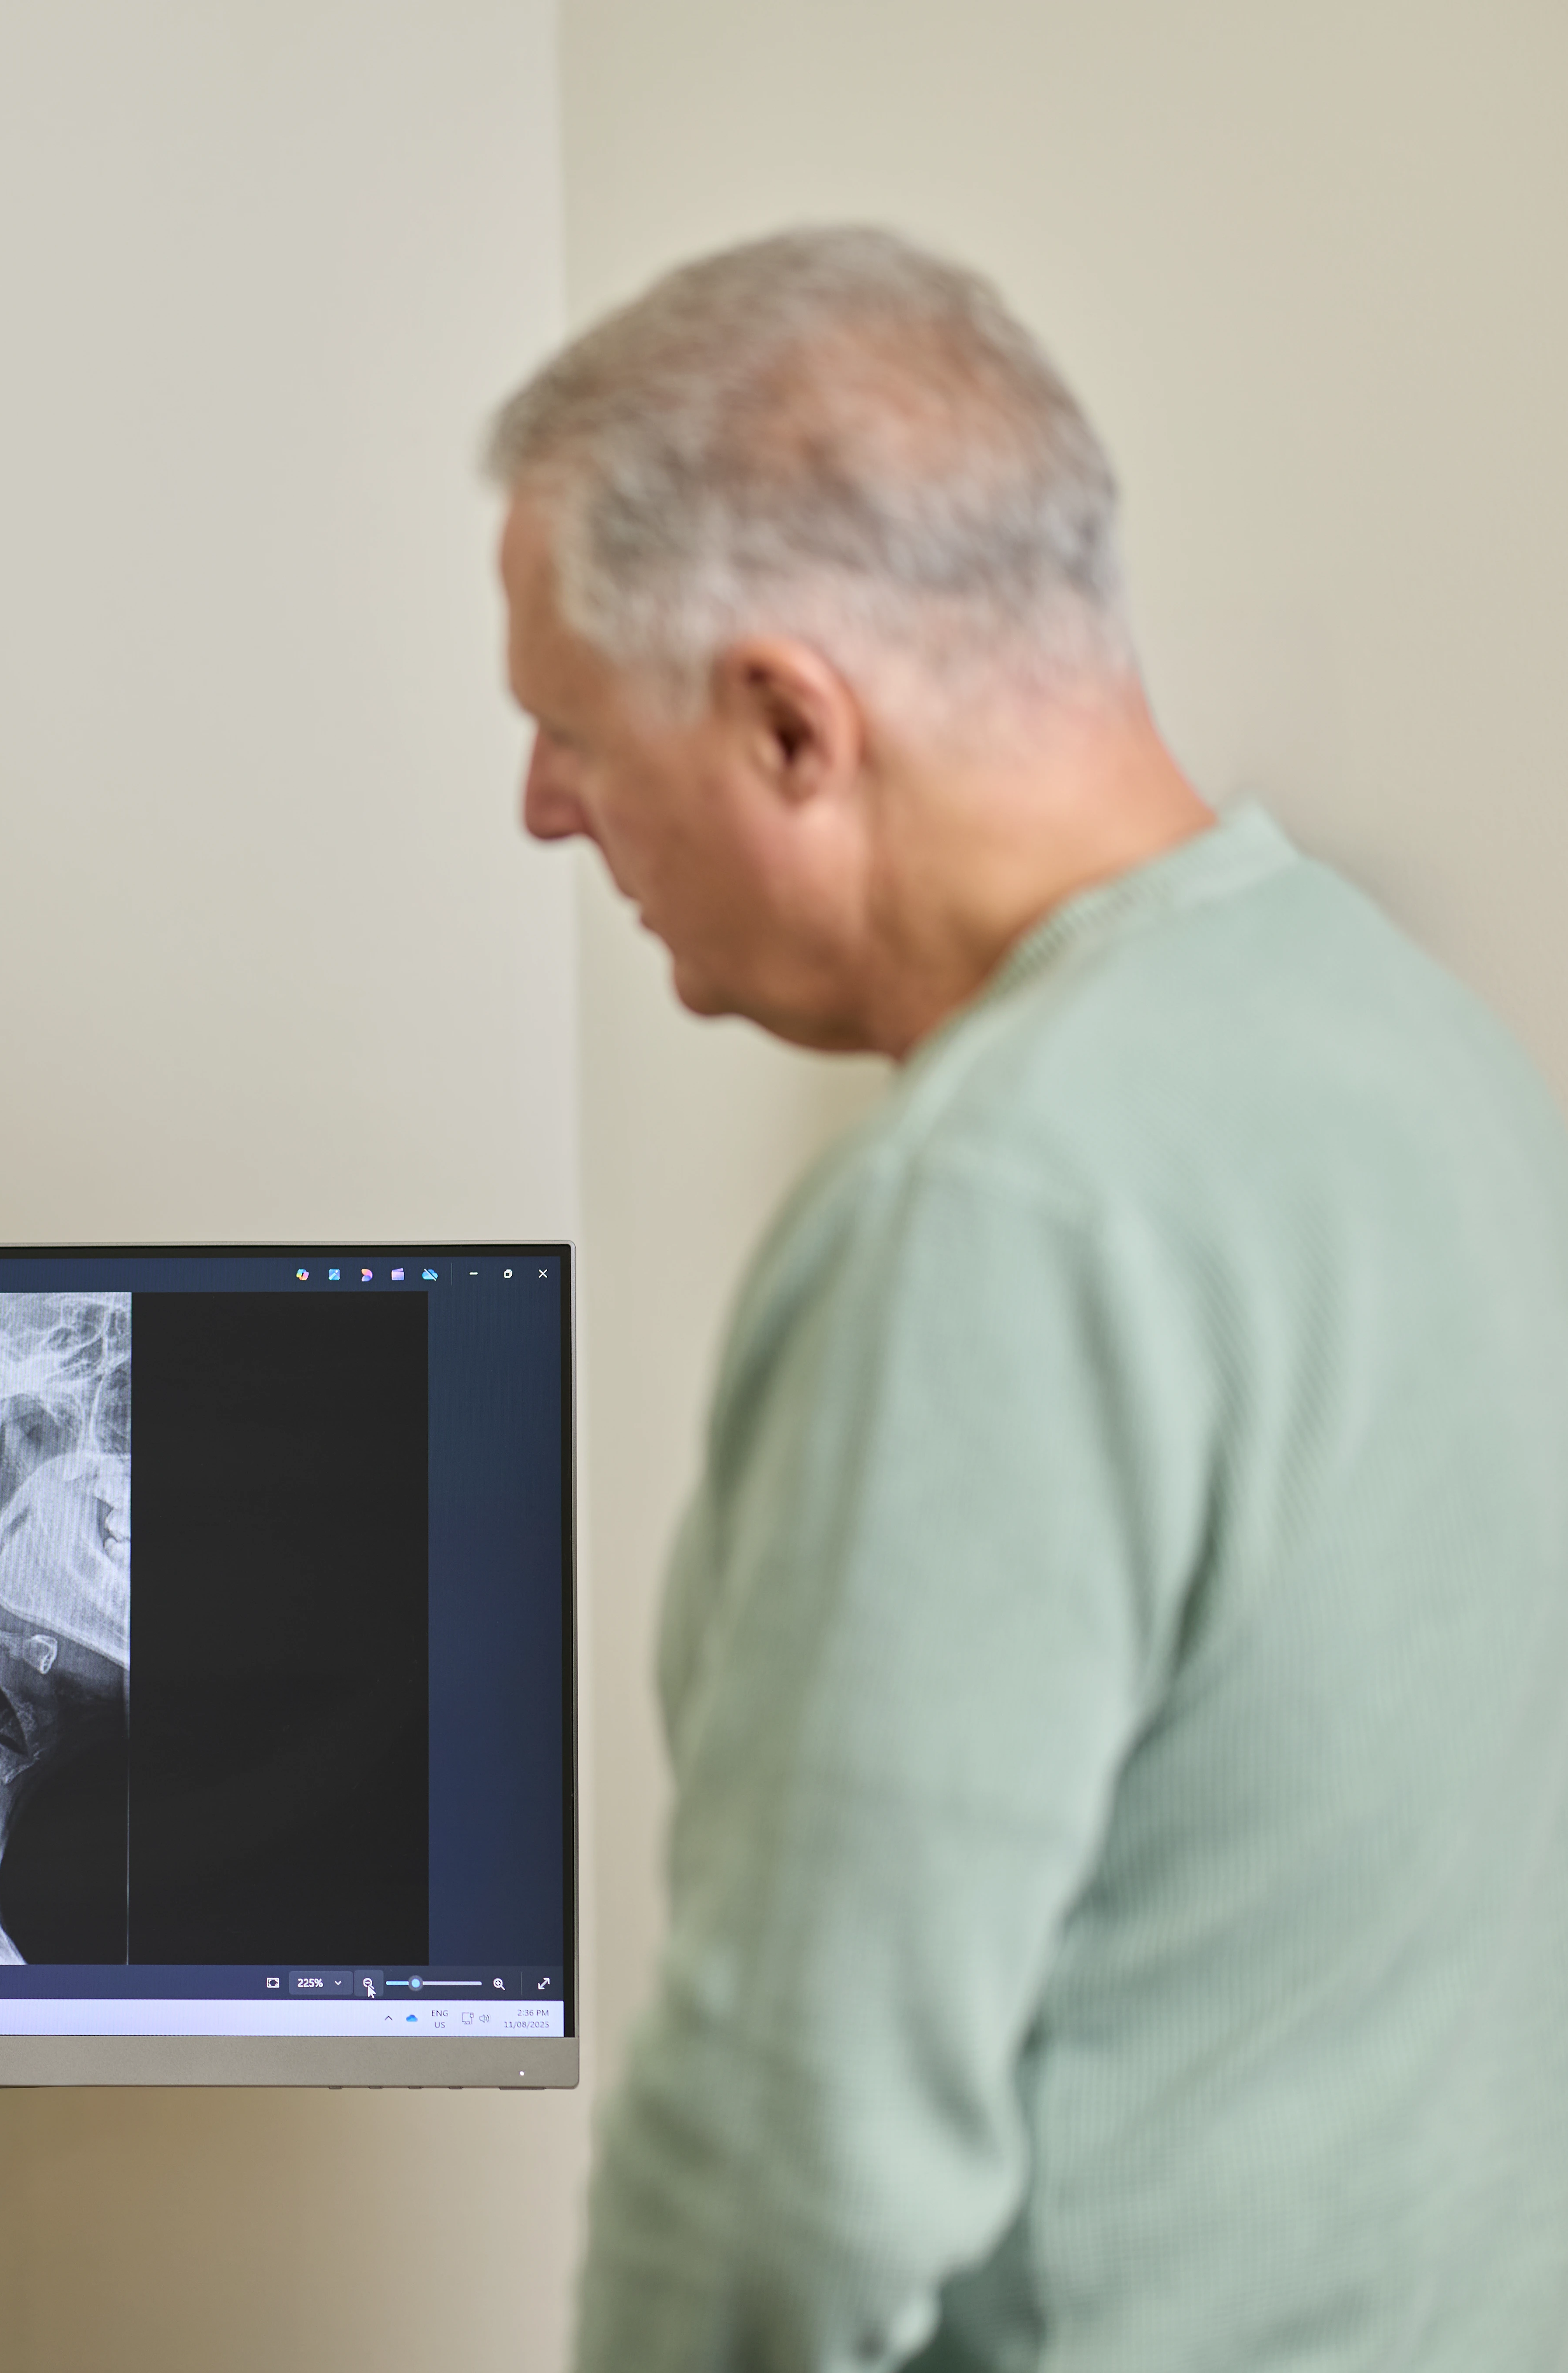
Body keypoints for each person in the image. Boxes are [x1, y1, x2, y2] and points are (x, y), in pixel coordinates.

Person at [485, 228, 1568, 2369]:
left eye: (568, 730)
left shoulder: (990, 1211)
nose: (540, 810)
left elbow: (785, 2182)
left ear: (790, 722)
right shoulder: (1422, 1049)